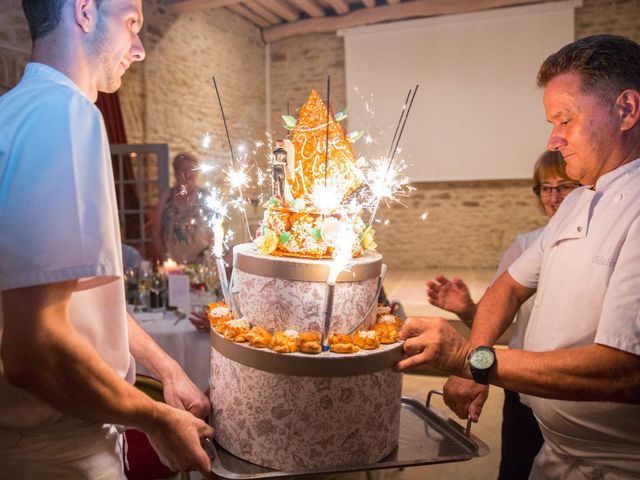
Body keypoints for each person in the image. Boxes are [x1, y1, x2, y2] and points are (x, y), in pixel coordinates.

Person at [397, 34, 640, 478]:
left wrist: (470, 359)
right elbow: (509, 286)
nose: (554, 138)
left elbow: (623, 371)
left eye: (565, 120)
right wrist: (477, 361)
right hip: (556, 456)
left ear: (626, 110)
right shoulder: (577, 202)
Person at [0, 1, 214, 478]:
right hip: (55, 452)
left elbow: (82, 304)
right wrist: (155, 417)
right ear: (84, 12)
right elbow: (34, 352)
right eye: (132, 23)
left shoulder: (14, 111)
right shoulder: (64, 113)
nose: (138, 49)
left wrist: (167, 368)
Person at [426, 150, 578, 479]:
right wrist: (468, 310)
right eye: (545, 188)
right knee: (516, 469)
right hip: (521, 389)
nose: (554, 197)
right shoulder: (526, 245)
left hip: (575, 390)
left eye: (564, 186)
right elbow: (499, 322)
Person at [151, 152, 214, 264]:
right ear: (175, 172)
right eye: (183, 169)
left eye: (191, 169)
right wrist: (165, 259)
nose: (188, 173)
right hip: (174, 265)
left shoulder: (205, 196)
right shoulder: (166, 197)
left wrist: (211, 256)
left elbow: (217, 230)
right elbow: (156, 232)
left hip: (203, 264)